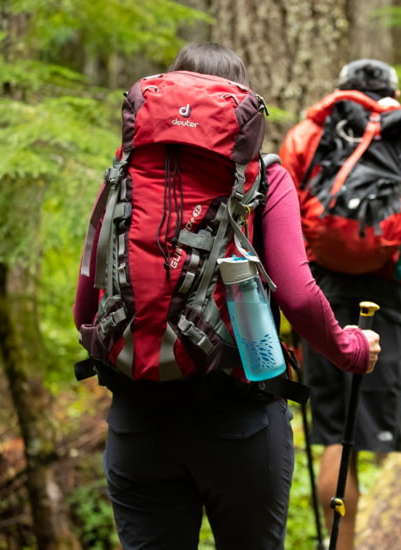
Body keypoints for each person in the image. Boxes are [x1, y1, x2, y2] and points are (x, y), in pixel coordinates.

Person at [73, 43, 381, 550]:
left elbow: (85, 309)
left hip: (138, 424)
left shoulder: (125, 176)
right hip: (238, 421)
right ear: (238, 102)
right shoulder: (263, 178)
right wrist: (349, 349)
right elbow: (300, 298)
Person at [279, 58, 401, 550]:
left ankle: (340, 545)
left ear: (342, 91)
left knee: (334, 433)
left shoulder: (306, 135)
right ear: (394, 91)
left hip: (319, 293)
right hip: (389, 293)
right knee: (364, 430)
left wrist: (294, 314)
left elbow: (282, 227)